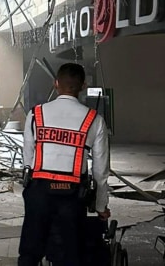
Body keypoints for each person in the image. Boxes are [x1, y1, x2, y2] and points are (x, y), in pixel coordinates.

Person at [18, 63, 110, 266]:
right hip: (73, 196)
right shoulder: (95, 120)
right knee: (69, 254)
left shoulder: (36, 114)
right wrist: (101, 206)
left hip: (39, 192)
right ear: (83, 86)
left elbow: (28, 158)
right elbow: (100, 171)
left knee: (29, 252)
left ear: (56, 83)